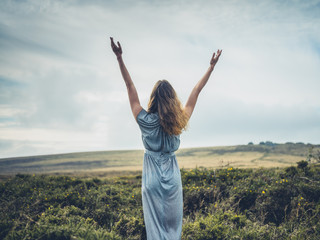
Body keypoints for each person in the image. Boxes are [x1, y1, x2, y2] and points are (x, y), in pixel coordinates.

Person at [110, 37, 222, 240]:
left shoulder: (144, 120)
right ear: (172, 98)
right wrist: (211, 68)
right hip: (172, 179)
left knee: (154, 229)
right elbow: (196, 91)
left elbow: (130, 87)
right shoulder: (178, 122)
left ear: (153, 98)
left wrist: (119, 58)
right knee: (172, 229)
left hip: (151, 180)